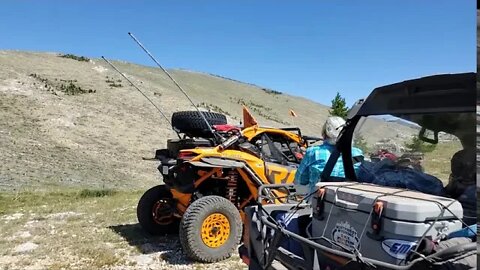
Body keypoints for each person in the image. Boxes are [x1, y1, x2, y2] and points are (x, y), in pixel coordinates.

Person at [294, 116, 364, 193]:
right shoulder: (358, 154)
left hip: (316, 201)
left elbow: (300, 180)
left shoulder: (313, 152)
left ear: (325, 134)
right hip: (348, 200)